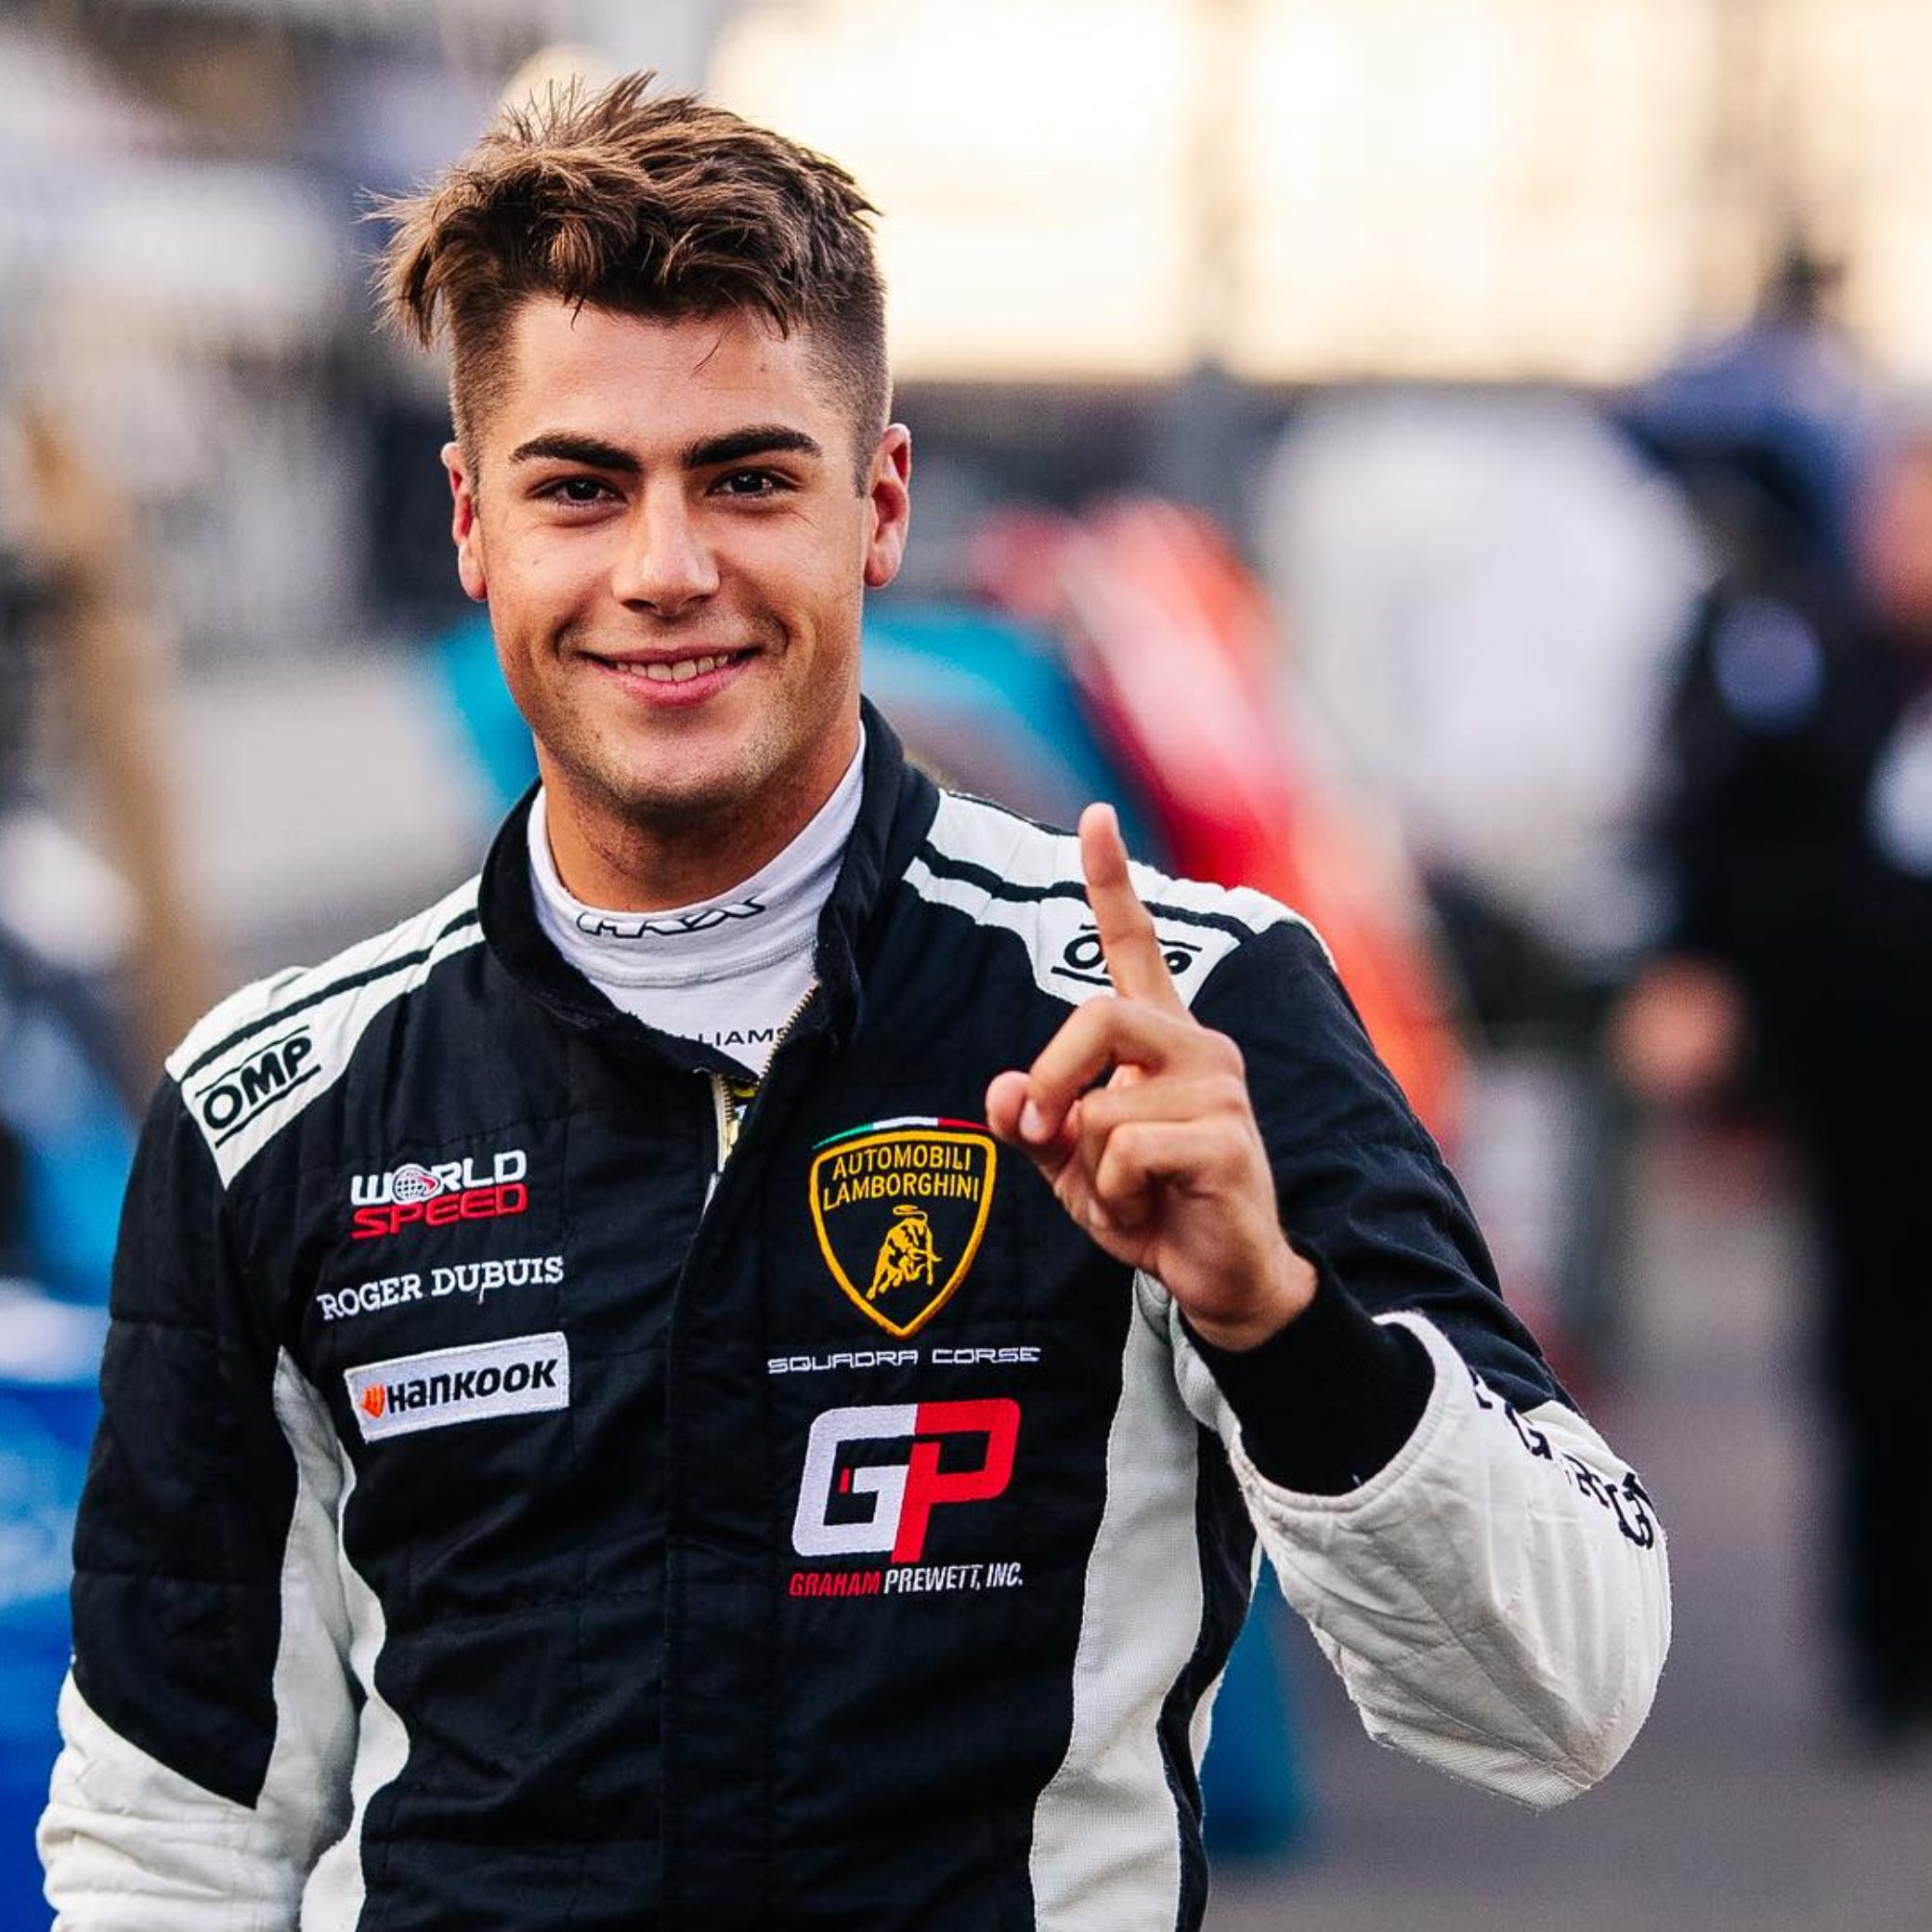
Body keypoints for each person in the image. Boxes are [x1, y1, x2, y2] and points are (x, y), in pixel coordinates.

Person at [40, 72, 1670, 1931]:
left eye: (748, 477)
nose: (665, 570)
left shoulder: (1189, 1017)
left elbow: (1567, 1692)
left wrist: (1278, 1323)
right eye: (581, 487)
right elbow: (169, 1836)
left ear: (878, 503)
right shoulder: (274, 1110)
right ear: (473, 522)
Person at [1616, 420, 1932, 1743]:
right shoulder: (1810, 671)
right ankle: (1890, 1639)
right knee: (1877, 1348)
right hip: (1874, 1082)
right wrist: (1696, 976)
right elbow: (1724, 835)